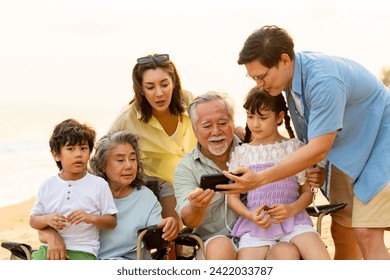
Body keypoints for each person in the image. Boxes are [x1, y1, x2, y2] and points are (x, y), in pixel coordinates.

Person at [221, 25, 390, 260]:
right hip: (351, 154)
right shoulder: (291, 80)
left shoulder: (323, 79)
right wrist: (317, 168)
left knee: (366, 232)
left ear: (284, 60)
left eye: (262, 76)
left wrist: (259, 178)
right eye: (254, 78)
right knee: (343, 229)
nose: (259, 84)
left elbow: (318, 146)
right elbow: (314, 140)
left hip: (382, 147)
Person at [174, 91, 302, 260]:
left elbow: (292, 185)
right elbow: (190, 221)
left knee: (287, 251)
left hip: (265, 235)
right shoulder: (186, 168)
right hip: (216, 242)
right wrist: (198, 207)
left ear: (233, 123)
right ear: (195, 130)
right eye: (207, 126)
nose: (216, 131)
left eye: (222, 122)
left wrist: (314, 176)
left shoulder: (256, 149)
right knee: (221, 246)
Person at [37, 130, 179, 260]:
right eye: (120, 160)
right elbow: (46, 227)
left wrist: (169, 225)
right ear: (103, 165)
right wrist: (52, 236)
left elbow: (158, 230)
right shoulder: (86, 191)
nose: (129, 166)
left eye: (133, 159)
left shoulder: (146, 197)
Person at [227, 87, 330, 260]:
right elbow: (233, 199)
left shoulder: (295, 148)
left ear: (280, 117)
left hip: (295, 221)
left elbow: (307, 193)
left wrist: (292, 209)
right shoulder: (241, 153)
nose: (255, 124)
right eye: (250, 117)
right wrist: (250, 215)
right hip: (256, 227)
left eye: (263, 117)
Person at [109, 54, 197, 229]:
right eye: (150, 87)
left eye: (164, 84)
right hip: (159, 182)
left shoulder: (188, 100)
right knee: (173, 224)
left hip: (193, 175)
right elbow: (102, 153)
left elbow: (209, 123)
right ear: (141, 89)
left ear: (174, 82)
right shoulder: (128, 118)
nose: (159, 93)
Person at [29, 119, 118, 260]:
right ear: (56, 155)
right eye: (70, 149)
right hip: (48, 250)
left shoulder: (99, 185)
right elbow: (34, 220)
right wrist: (47, 219)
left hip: (83, 251)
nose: (78, 154)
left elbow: (111, 221)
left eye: (83, 148)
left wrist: (90, 218)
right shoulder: (47, 185)